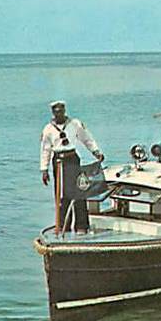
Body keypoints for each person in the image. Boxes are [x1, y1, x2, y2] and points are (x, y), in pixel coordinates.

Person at [40, 100, 104, 234]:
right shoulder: (48, 129)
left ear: (64, 111)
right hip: (58, 161)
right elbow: (45, 149)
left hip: (72, 160)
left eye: (61, 111)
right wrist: (44, 169)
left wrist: (96, 151)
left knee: (79, 191)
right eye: (56, 112)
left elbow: (87, 139)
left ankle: (81, 226)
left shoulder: (75, 124)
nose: (59, 114)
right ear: (53, 113)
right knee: (63, 195)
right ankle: (63, 226)